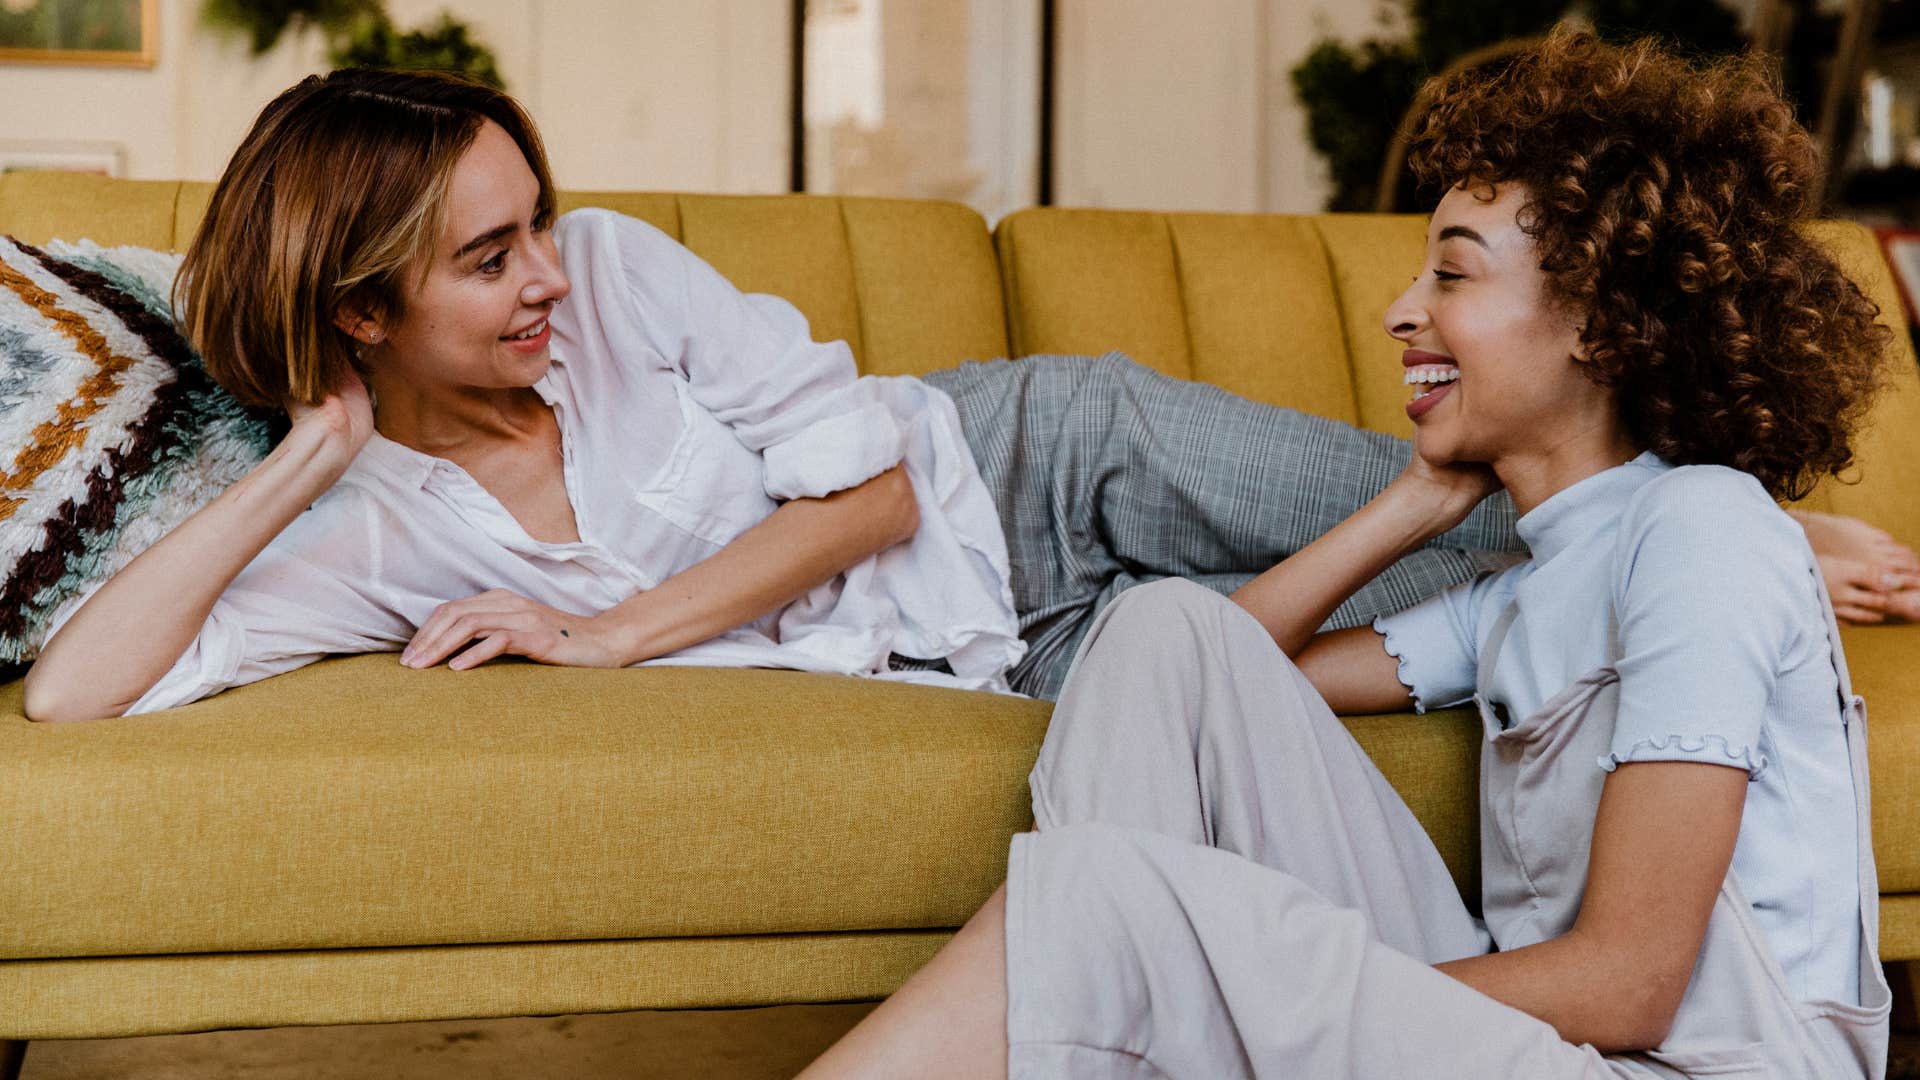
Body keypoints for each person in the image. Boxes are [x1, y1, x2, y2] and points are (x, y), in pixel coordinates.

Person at [19, 61, 1914, 723]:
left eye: (530, 226)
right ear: (356, 315)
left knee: (1503, 527)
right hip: (1007, 656)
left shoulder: (613, 275)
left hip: (1037, 466)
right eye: (484, 259)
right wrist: (303, 463)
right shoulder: (365, 520)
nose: (542, 278)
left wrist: (613, 643)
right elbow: (81, 694)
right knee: (1481, 625)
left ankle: (1725, 529)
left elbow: (872, 500)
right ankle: (1710, 552)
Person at [801, 32, 1894, 1080]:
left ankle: (1128, 1014)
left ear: (1600, 322)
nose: (1399, 312)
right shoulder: (1520, 591)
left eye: (1453, 278)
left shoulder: (1704, 531)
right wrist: (1414, 499)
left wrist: (1255, 1001)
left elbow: (1631, 984)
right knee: (1163, 624)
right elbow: (1218, 672)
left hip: (1672, 1068)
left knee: (1108, 902)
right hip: (1551, 1049)